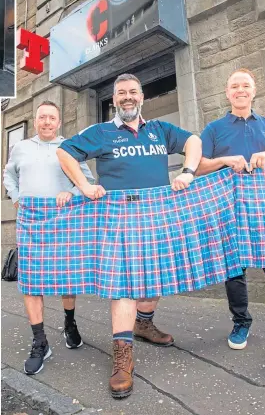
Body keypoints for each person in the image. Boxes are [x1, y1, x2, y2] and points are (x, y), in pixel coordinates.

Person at [56, 73, 202, 398]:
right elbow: (65, 152)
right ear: (114, 99)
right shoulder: (103, 132)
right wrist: (83, 185)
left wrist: (188, 171)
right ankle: (123, 359)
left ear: (141, 96)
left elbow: (193, 141)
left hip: (157, 215)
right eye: (121, 93)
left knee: (156, 278)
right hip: (118, 218)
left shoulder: (160, 130)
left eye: (132, 92)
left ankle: (144, 323)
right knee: (124, 286)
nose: (127, 97)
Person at [196, 68, 265, 387]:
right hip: (228, 202)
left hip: (264, 204)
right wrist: (225, 161)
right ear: (228, 93)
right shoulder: (215, 129)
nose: (240, 90)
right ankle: (241, 321)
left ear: (253, 92)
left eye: (246, 85)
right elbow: (199, 164)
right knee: (234, 269)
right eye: (234, 86)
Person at [3, 100, 95, 375]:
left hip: (62, 220)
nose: (46, 122)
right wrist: (17, 198)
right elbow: (8, 175)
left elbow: (86, 181)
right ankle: (40, 341)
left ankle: (69, 323)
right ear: (36, 120)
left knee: (67, 277)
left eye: (51, 118)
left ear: (58, 122)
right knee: (31, 280)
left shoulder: (69, 149)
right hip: (30, 221)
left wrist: (73, 192)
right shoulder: (21, 148)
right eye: (42, 117)